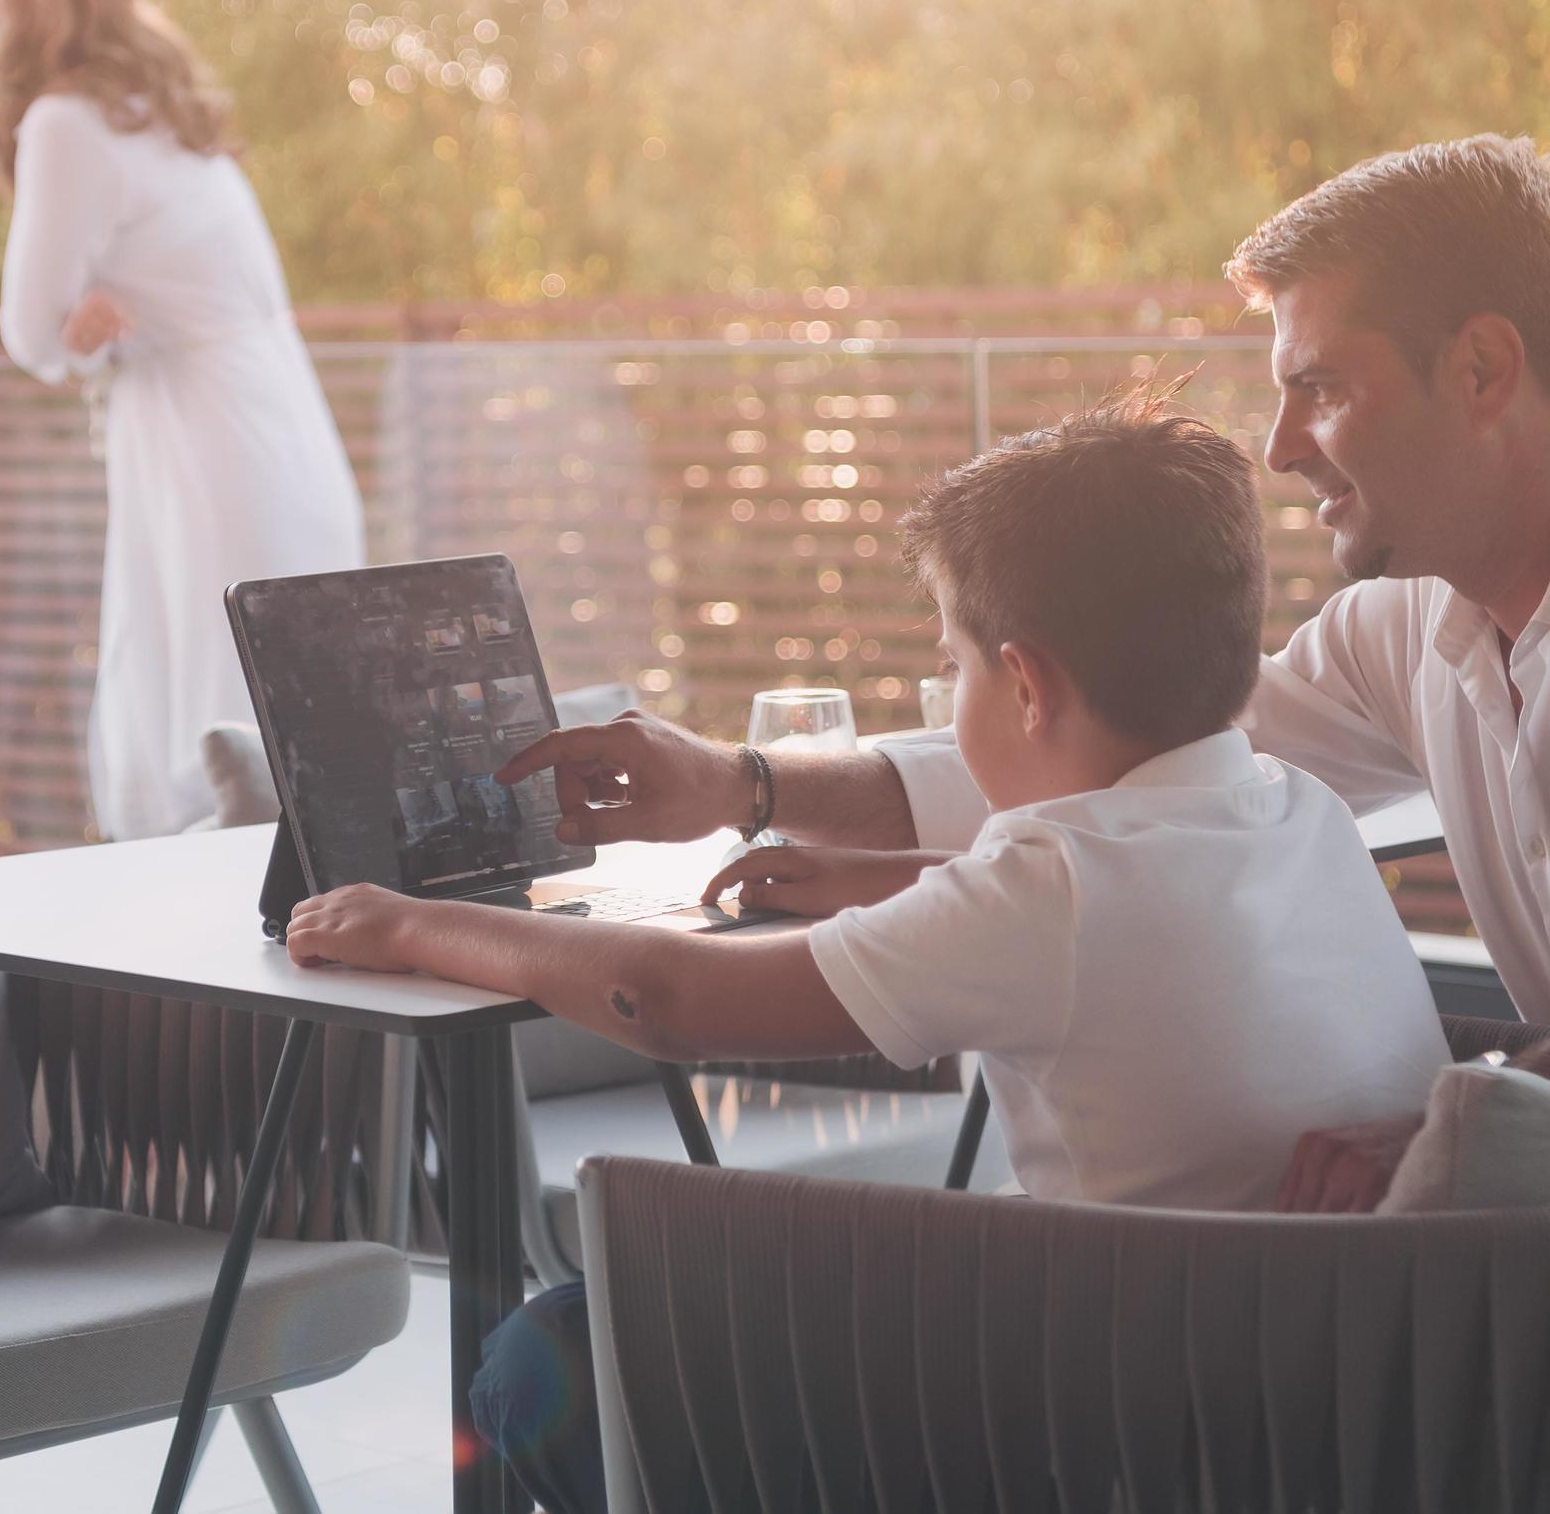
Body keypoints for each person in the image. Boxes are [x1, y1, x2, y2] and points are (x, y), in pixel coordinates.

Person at [511, 135, 1550, 1285]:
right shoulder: (1419, 618)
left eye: (1320, 390)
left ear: (1484, 368)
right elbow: (1125, 747)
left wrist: (1462, 1133)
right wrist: (745, 783)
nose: (1276, 450)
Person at [284, 392, 1451, 1514]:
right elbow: (1132, 921)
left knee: (548, 1349)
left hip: (1112, 1442)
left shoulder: (1050, 889)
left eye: (953, 665)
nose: (951, 694)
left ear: (1030, 683)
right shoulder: (1296, 809)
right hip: (1313, 1414)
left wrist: (407, 922)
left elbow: (669, 995)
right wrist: (888, 879)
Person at [0, 0, 364, 839]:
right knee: (279, 706)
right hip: (284, 428)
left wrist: (73, 335)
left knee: (199, 700)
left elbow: (27, 331)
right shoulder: (167, 113)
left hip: (201, 443)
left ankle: (182, 963)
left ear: (32, 9)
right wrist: (88, 329)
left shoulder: (64, 123)